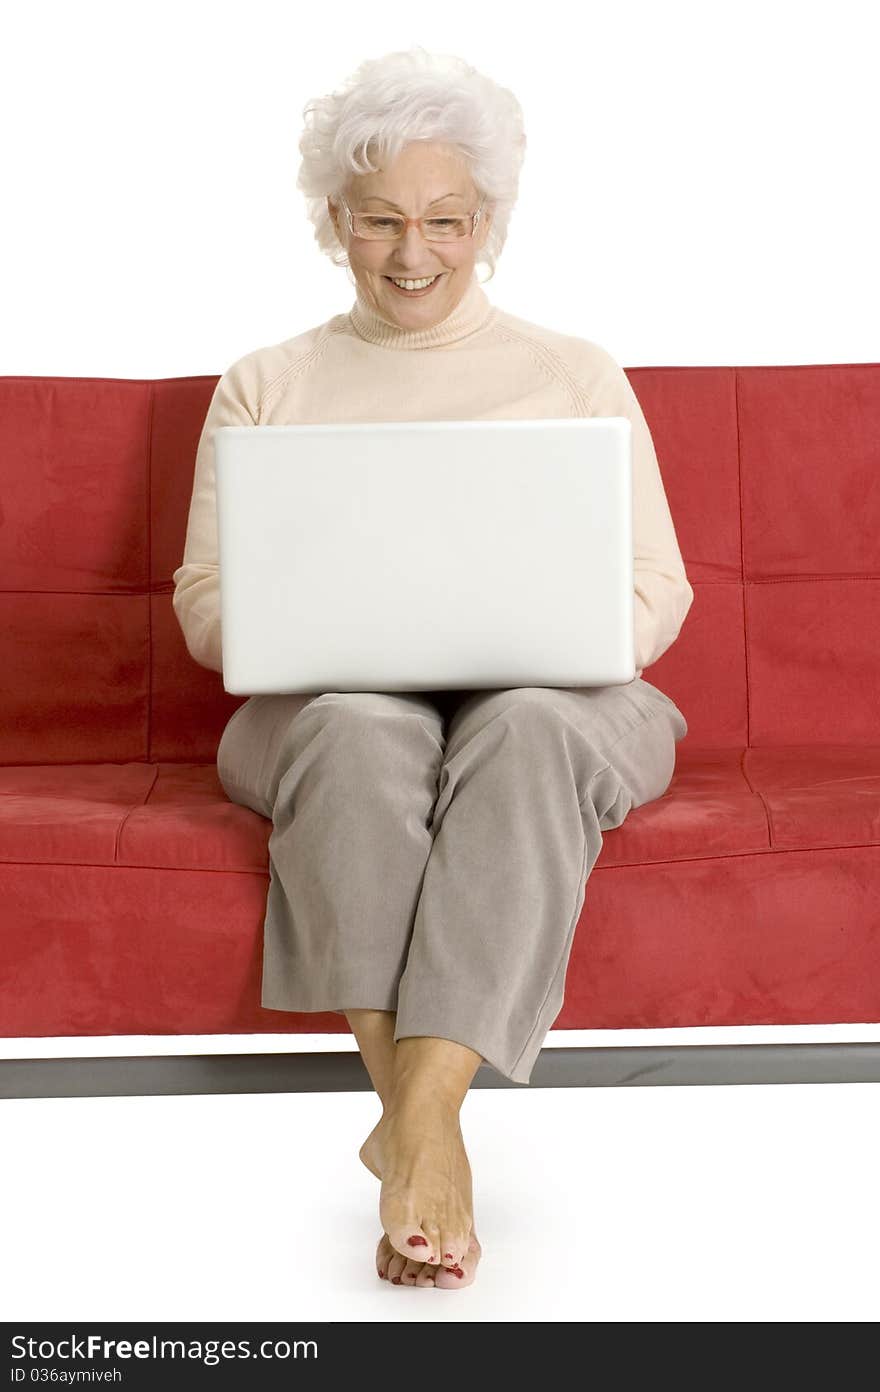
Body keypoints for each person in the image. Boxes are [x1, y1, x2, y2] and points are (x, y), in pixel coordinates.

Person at [172, 46, 693, 1292]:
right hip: (323, 710)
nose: (415, 253)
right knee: (360, 729)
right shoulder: (266, 385)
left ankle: (412, 1130)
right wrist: (307, 635)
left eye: (445, 221)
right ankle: (431, 1134)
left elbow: (655, 589)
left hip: (556, 705)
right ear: (332, 224)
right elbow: (203, 601)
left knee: (522, 727)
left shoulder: (572, 373)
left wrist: (549, 638)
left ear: (488, 223)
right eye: (381, 222)